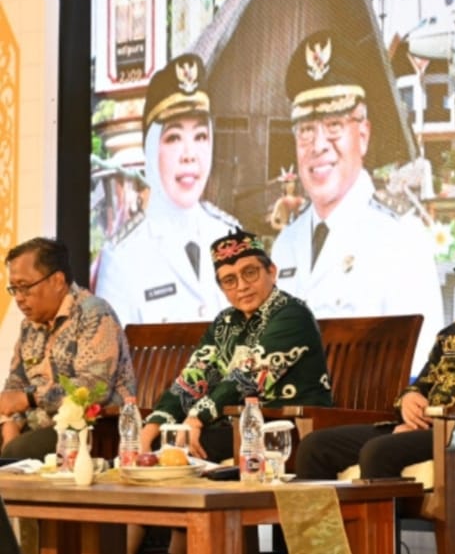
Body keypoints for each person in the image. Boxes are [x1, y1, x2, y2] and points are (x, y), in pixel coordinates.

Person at [295, 226, 455, 480]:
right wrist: (409, 400)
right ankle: (326, 515)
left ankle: (384, 514)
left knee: (379, 451)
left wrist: (436, 417)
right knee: (315, 447)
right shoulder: (451, 333)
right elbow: (420, 386)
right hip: (429, 429)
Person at [271, 29, 444, 375]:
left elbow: (420, 376)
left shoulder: (402, 240)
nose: (318, 145)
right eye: (306, 130)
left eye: (334, 125)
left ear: (363, 136)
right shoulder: (284, 246)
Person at [138, 228, 332, 462]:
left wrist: (197, 418)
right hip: (237, 426)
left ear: (272, 272)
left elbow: (247, 376)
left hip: (285, 430)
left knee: (189, 444)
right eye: (229, 280)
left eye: (250, 273)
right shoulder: (225, 321)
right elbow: (193, 378)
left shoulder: (292, 314)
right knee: (162, 441)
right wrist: (152, 427)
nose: (241, 286)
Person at [95, 53, 240, 325]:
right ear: (152, 150)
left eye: (200, 136)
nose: (189, 155)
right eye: (174, 138)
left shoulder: (234, 237)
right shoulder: (123, 258)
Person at [0, 237, 136, 459]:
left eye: (24, 287)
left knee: (19, 450)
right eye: (14, 289)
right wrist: (10, 426)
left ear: (57, 280)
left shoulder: (94, 313)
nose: (19, 299)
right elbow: (14, 387)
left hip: (90, 427)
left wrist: (30, 399)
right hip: (36, 426)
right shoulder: (29, 326)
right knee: (13, 446)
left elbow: (93, 387)